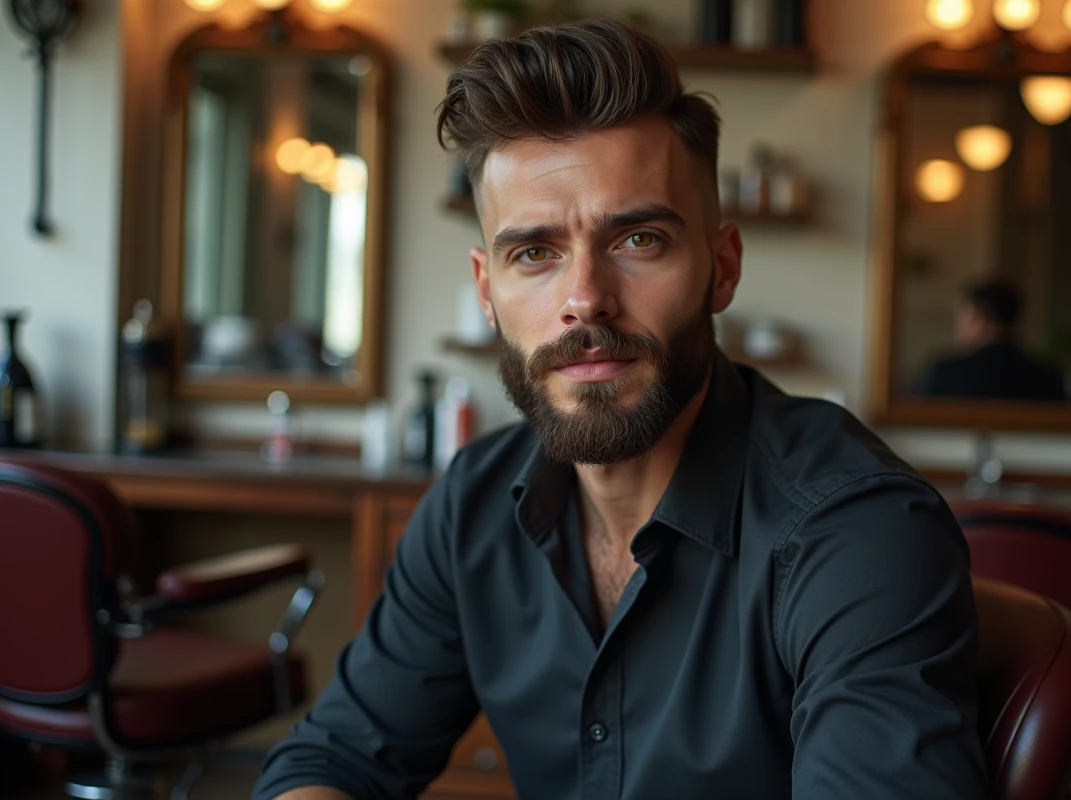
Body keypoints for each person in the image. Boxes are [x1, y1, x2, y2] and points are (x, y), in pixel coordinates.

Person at [254, 18, 985, 800]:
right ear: (487, 293)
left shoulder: (858, 530)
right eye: (533, 253)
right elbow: (334, 761)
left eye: (638, 240)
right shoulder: (472, 506)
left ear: (722, 267)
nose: (584, 301)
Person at [917, 280, 1068, 402]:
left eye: (963, 315)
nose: (958, 325)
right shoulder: (1049, 375)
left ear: (979, 319)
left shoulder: (946, 373)